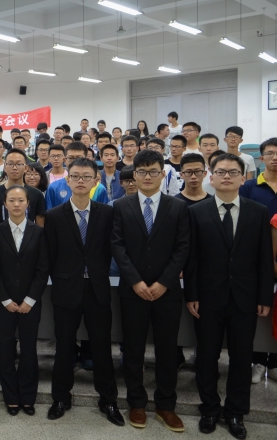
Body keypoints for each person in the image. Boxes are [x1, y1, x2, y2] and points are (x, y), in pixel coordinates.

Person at [185, 153, 273, 439]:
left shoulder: (257, 211)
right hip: (207, 299)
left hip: (245, 298)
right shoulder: (197, 212)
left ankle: (236, 412)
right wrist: (192, 294)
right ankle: (210, 409)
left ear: (242, 178)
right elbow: (192, 259)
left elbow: (264, 259)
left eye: (232, 172)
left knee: (241, 358)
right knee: (207, 356)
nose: (226, 176)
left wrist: (264, 297)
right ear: (211, 178)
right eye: (220, 172)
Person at [111, 150, 190, 431]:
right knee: (133, 349)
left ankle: (166, 405)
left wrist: (164, 282)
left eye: (153, 171)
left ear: (162, 173)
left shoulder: (177, 206)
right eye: (142, 171)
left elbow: (183, 248)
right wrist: (135, 281)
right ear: (134, 174)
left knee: (167, 350)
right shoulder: (121, 205)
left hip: (166, 291)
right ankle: (136, 403)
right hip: (132, 290)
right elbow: (117, 246)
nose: (147, 176)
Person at [44, 158, 124, 426]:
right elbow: (50, 255)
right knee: (64, 347)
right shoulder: (54, 216)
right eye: (75, 176)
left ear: (95, 181)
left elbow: (112, 249)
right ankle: (60, 398)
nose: (80, 181)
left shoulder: (107, 213)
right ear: (67, 180)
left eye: (86, 176)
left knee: (101, 347)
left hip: (97, 290)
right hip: (66, 290)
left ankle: (108, 400)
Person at [0, 185, 49, 416]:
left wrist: (30, 299)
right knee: (5, 348)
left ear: (28, 204)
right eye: (12, 200)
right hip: (4, 302)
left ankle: (27, 396)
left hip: (30, 302)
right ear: (5, 204)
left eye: (21, 200)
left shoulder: (39, 232)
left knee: (29, 349)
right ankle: (10, 397)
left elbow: (42, 270)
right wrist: (4, 299)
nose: (16, 204)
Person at [240, 138, 277, 383]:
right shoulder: (250, 187)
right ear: (261, 158)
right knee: (257, 309)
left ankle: (274, 363)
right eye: (270, 153)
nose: (275, 157)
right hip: (255, 257)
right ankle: (257, 361)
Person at [0, 149, 47, 227]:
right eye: (10, 164)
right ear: (5, 167)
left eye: (19, 164)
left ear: (26, 168)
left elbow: (40, 227)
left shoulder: (36, 194)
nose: (14, 168)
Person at [46, 143, 109, 209]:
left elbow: (104, 212)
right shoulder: (53, 188)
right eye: (71, 158)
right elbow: (49, 213)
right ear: (64, 160)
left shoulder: (99, 188)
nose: (75, 161)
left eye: (79, 158)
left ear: (86, 159)